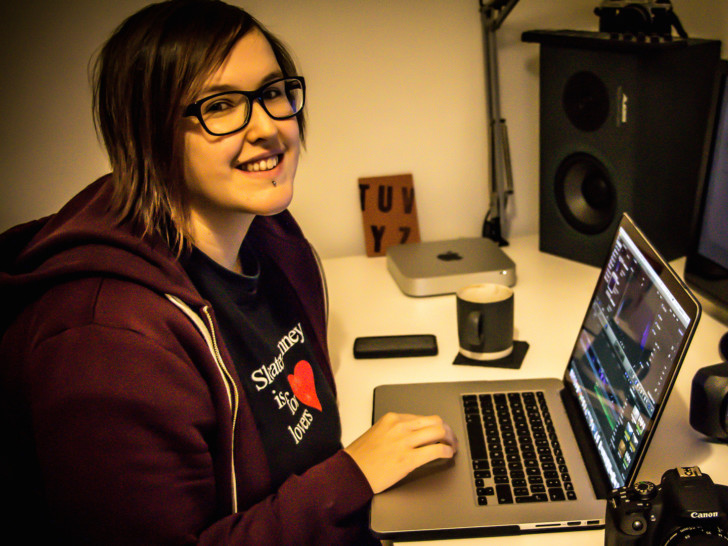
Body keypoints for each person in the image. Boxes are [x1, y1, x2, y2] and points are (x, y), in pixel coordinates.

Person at [0, 0, 457, 544]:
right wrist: (352, 475)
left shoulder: (270, 235)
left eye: (272, 92)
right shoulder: (106, 345)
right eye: (219, 106)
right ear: (148, 133)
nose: (268, 126)